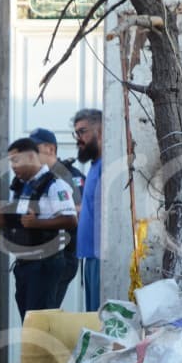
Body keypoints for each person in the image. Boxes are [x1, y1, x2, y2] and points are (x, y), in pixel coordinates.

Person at [0, 137, 77, 322]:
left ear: (30, 157)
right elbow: (8, 223)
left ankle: (44, 352)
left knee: (40, 323)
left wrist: (37, 224)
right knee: (28, 321)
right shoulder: (22, 187)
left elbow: (71, 220)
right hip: (25, 265)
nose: (12, 166)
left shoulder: (55, 185)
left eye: (15, 160)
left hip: (45, 264)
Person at [28, 127, 80, 307]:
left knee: (45, 313)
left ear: (50, 149)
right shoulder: (34, 178)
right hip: (37, 257)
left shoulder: (69, 176)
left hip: (62, 255)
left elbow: (79, 211)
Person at [73, 109, 103, 312]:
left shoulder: (105, 166)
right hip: (89, 255)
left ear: (100, 131)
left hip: (102, 257)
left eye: (83, 132)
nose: (78, 139)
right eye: (76, 133)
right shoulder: (94, 166)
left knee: (99, 317)